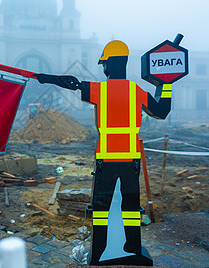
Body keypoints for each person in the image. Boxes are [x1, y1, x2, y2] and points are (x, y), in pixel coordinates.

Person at [34, 40, 172, 265]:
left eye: (104, 63)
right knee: (129, 205)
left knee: (101, 207)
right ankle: (131, 249)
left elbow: (73, 84)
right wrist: (166, 83)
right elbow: (162, 110)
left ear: (110, 64)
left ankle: (99, 252)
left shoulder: (98, 90)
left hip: (105, 159)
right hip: (130, 159)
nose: (103, 68)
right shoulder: (136, 91)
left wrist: (46, 77)